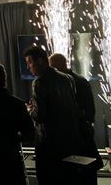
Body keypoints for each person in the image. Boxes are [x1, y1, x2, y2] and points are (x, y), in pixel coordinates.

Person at [24, 46, 82, 185]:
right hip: (69, 141)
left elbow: (40, 116)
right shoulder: (67, 78)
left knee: (47, 178)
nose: (28, 67)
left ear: (39, 61)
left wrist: (30, 109)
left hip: (48, 145)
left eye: (29, 62)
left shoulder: (39, 82)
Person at [49, 53, 102, 184]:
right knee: (86, 171)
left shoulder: (64, 83)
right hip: (83, 132)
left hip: (76, 134)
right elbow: (90, 111)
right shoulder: (81, 80)